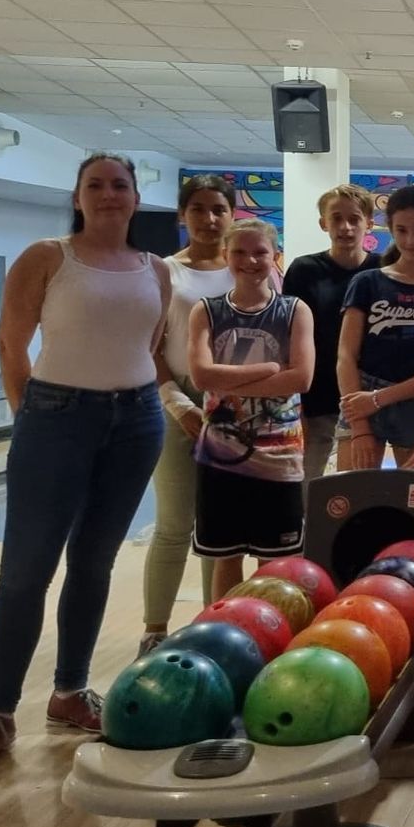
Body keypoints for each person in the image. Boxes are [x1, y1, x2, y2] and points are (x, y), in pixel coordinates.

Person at [0, 154, 170, 771]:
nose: (108, 194)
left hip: (137, 419)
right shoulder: (48, 257)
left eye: (119, 185)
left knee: (94, 563)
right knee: (25, 571)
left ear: (135, 197)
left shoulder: (154, 268)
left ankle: (70, 691)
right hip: (56, 415)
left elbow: (148, 345)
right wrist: (32, 415)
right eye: (95, 185)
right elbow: (10, 343)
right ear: (77, 197)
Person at [188, 220, 314, 598]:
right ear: (225, 256)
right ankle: (225, 626)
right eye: (240, 252)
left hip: (280, 457)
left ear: (275, 256)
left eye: (260, 252)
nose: (250, 260)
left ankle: (269, 627)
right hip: (221, 456)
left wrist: (226, 381)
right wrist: (270, 369)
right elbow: (201, 375)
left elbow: (301, 378)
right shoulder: (206, 311)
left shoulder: (295, 310)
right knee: (226, 557)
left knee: (275, 563)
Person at [139, 173, 236, 649]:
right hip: (176, 399)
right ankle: (154, 631)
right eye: (198, 208)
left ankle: (211, 628)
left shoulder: (250, 266)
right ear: (182, 214)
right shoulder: (163, 271)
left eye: (219, 209)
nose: (209, 218)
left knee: (219, 527)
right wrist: (178, 404)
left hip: (236, 403)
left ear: (232, 215)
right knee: (175, 523)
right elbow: (150, 344)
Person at [335, 183, 414, 471]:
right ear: (391, 229)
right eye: (402, 230)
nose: (411, 240)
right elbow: (346, 356)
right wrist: (360, 426)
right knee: (352, 495)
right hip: (361, 398)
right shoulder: (367, 282)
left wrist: (378, 399)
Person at [281, 183, 379, 482]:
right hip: (316, 400)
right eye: (336, 218)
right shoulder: (304, 270)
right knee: (306, 486)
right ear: (323, 223)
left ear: (369, 223)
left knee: (358, 489)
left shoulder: (383, 269)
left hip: (367, 398)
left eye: (354, 219)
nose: (345, 227)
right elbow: (288, 338)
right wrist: (294, 404)